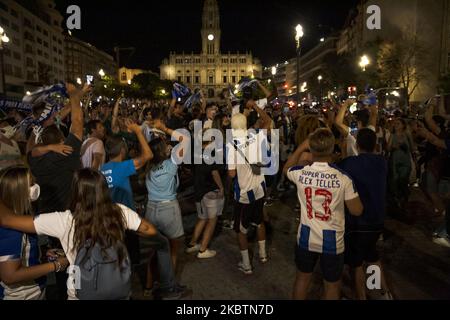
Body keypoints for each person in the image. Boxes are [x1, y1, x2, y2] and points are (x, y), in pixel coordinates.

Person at [0, 169, 158, 300]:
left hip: (80, 292)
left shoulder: (62, 220)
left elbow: (7, 219)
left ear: (76, 191)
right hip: (116, 286)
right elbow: (150, 230)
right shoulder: (119, 211)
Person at [284, 128, 363, 300]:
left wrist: (300, 148)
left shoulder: (300, 173)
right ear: (332, 148)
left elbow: (286, 169)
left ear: (311, 149)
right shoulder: (343, 178)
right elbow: (357, 210)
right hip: (332, 239)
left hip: (306, 235)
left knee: (302, 279)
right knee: (332, 284)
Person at [338, 129, 393, 300]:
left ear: (357, 144)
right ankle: (383, 292)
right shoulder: (382, 162)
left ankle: (362, 297)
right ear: (375, 144)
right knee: (372, 255)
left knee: (356, 263)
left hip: (357, 221)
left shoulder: (349, 163)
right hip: (377, 220)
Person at [0, 166, 69, 300]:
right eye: (30, 184)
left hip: (34, 290)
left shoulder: (22, 217)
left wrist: (42, 254)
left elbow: (22, 250)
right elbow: (10, 275)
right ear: (18, 191)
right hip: (20, 295)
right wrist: (56, 265)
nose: (35, 186)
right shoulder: (11, 229)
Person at [227, 107, 272, 275]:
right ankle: (263, 254)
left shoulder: (232, 146)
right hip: (260, 188)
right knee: (259, 221)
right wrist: (256, 107)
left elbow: (232, 174)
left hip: (244, 193)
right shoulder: (256, 136)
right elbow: (267, 121)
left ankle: (246, 264)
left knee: (241, 230)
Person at [145, 119, 188, 270]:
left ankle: (149, 287)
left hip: (151, 208)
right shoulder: (171, 165)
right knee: (173, 248)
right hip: (168, 209)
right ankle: (169, 285)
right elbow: (185, 140)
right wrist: (165, 128)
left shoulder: (147, 166)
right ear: (163, 151)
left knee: (154, 250)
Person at [186, 134, 225, 259]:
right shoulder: (211, 154)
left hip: (198, 191)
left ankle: (192, 244)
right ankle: (203, 250)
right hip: (209, 191)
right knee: (212, 220)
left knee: (202, 218)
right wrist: (221, 187)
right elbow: (215, 173)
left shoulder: (196, 154)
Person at [387, 118, 414, 210]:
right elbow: (388, 148)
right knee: (395, 180)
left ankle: (404, 198)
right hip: (395, 161)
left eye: (398, 123)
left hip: (405, 161)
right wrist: (394, 147)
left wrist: (415, 159)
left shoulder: (407, 134)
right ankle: (398, 200)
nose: (396, 125)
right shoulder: (392, 135)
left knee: (403, 179)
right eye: (395, 123)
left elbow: (412, 147)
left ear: (403, 125)